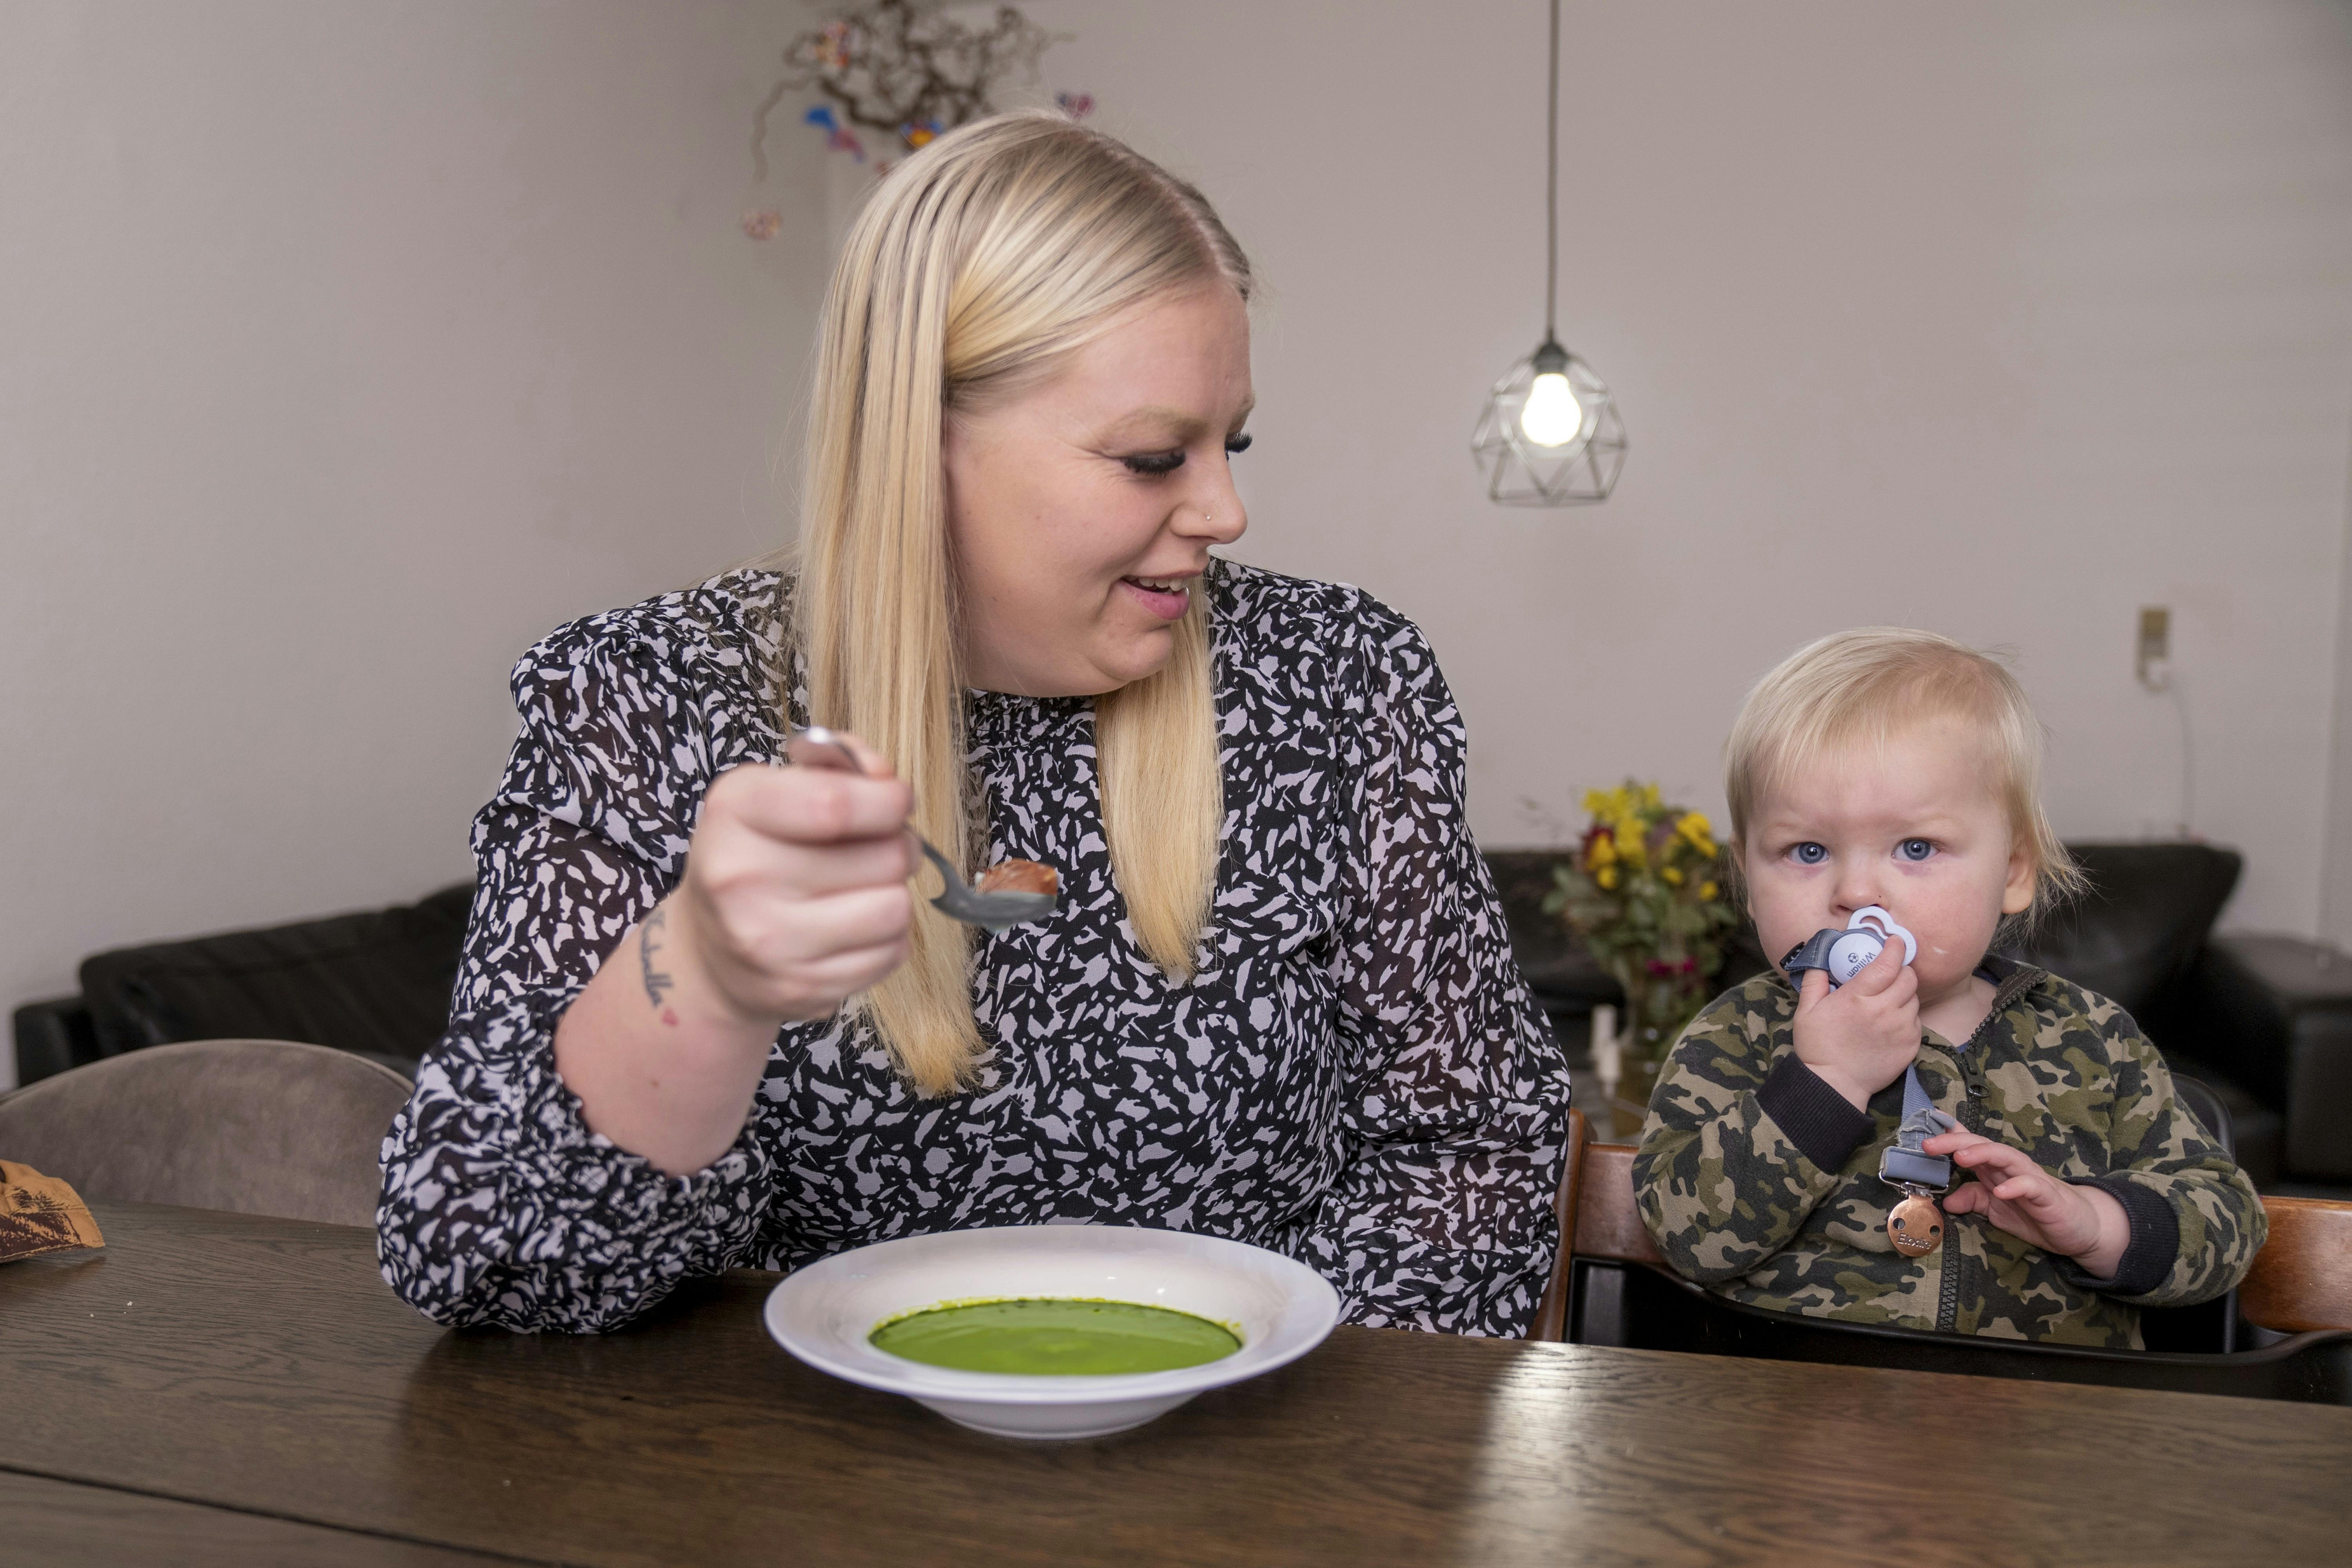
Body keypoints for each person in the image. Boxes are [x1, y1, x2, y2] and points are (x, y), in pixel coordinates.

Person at [376, 112, 1571, 1338]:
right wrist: (708, 979)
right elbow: (490, 1269)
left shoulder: (1342, 681)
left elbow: (1472, 1150)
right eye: (1157, 457)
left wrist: (1260, 1430)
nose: (1227, 509)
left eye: (1234, 442)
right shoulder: (645, 700)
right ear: (919, 445)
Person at [1633, 628, 2263, 1346]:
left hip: (2050, 1428)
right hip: (1801, 1427)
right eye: (1807, 851)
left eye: (1916, 848)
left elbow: (2230, 1229)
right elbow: (1686, 1239)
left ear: (2015, 872)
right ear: (1748, 884)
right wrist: (1825, 1080)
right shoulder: (1736, 1035)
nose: (1856, 891)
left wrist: (2095, 1222)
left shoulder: (2094, 1039)